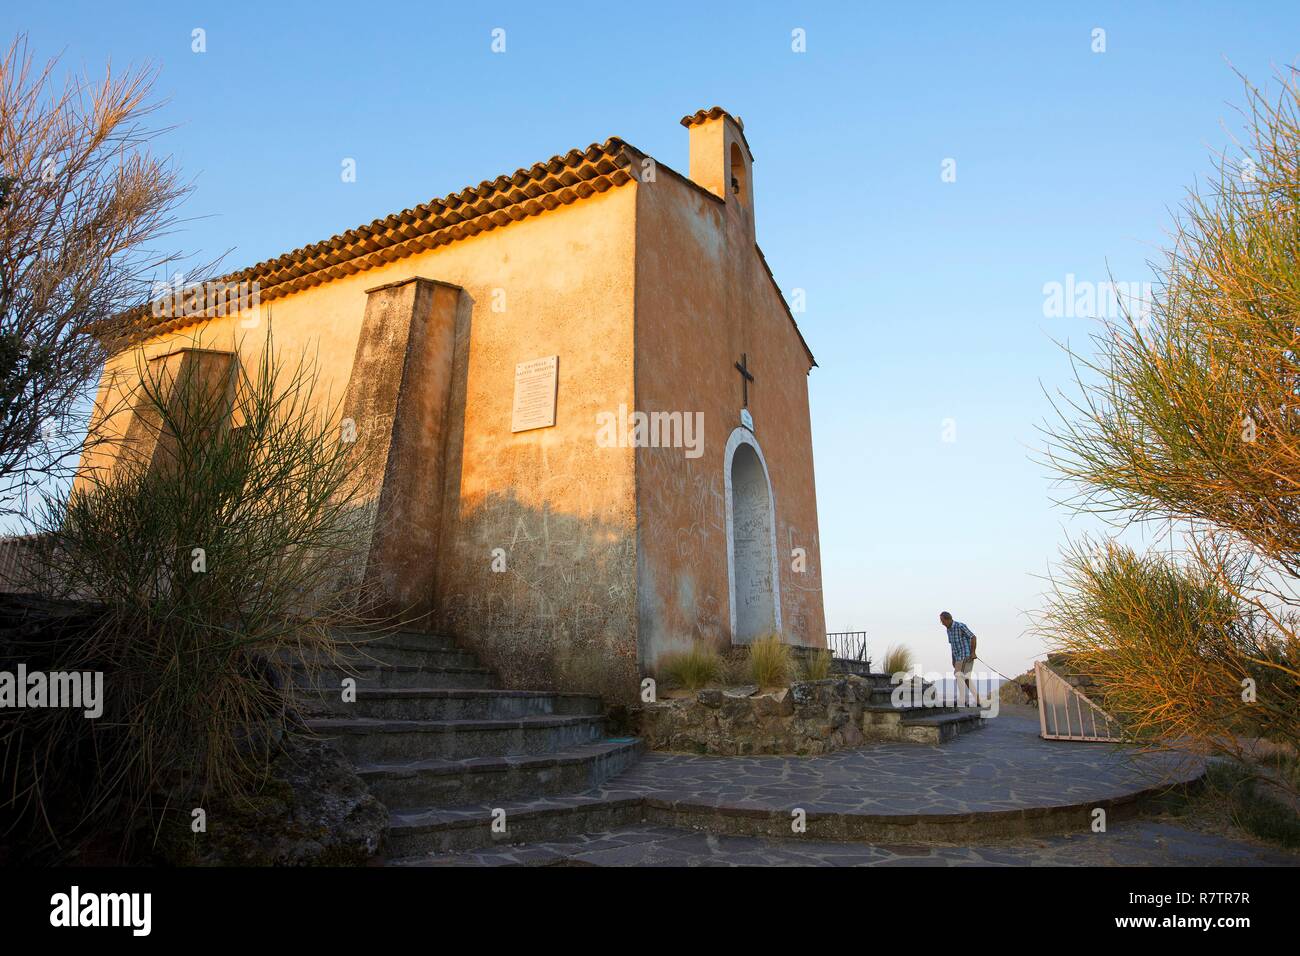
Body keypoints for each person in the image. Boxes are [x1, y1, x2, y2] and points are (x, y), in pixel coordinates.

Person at [940, 611, 979, 707]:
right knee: (965, 678)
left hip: (966, 655)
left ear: (948, 619)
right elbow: (952, 645)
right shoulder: (948, 630)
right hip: (958, 657)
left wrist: (973, 652)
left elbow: (973, 637)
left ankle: (962, 701)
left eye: (943, 621)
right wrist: (953, 659)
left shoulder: (960, 626)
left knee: (958, 675)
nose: (942, 623)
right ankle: (979, 700)